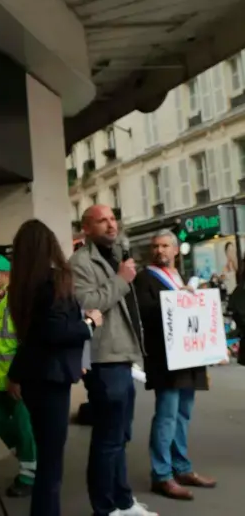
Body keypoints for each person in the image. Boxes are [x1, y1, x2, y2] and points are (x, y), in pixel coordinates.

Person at [7, 219, 100, 516]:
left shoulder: (21, 286)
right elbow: (57, 332)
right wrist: (89, 324)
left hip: (34, 378)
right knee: (51, 465)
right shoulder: (53, 281)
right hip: (51, 379)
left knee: (47, 460)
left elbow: (32, 336)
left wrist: (16, 374)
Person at [69, 204, 155, 516]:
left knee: (121, 435)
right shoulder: (80, 263)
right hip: (103, 358)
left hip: (124, 355)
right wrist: (120, 280)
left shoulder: (120, 254)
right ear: (87, 228)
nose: (110, 224)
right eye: (102, 220)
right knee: (108, 438)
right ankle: (104, 507)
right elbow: (87, 304)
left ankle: (124, 501)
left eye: (112, 218)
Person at [132, 230, 216, 501]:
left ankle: (181, 468)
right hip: (164, 359)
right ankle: (162, 475)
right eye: (156, 246)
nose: (160, 251)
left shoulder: (180, 277)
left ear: (176, 250)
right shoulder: (145, 278)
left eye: (165, 246)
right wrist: (179, 299)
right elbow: (145, 313)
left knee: (183, 415)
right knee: (166, 416)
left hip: (188, 358)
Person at [0, 253, 36, 497]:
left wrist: (19, 377)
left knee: (24, 427)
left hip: (18, 379)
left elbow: (27, 342)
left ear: (7, 274)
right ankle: (28, 456)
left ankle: (28, 475)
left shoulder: (18, 300)